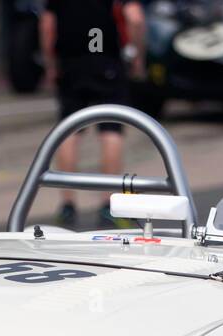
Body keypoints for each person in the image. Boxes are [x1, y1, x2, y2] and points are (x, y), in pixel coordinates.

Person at [40, 0, 145, 229]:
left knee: (69, 130)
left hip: (71, 62)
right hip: (107, 61)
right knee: (111, 129)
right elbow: (135, 18)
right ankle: (108, 204)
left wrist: (50, 63)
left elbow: (48, 25)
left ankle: (67, 204)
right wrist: (136, 55)